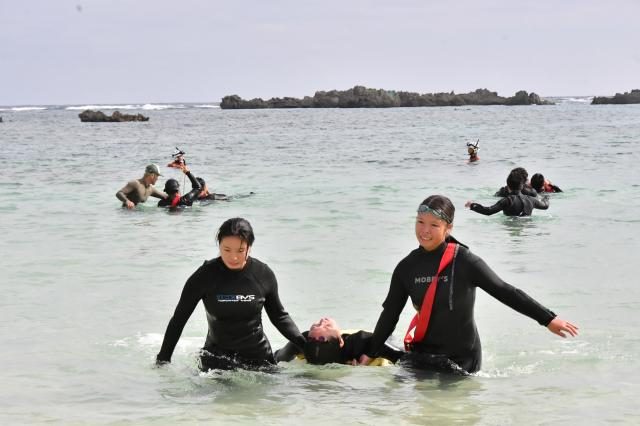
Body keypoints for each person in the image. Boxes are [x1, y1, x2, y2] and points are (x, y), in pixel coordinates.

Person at [358, 195, 578, 374]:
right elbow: (390, 314)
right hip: (424, 356)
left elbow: (504, 291)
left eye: (434, 225)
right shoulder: (406, 267)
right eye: (420, 222)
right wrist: (372, 351)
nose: (424, 230)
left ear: (448, 228)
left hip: (462, 362)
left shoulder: (464, 261)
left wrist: (547, 318)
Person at [156, 217, 305, 371]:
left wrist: (303, 344)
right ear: (219, 246)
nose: (233, 257)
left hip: (258, 358)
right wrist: (162, 360)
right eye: (226, 250)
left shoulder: (262, 274)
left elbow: (279, 316)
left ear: (249, 247)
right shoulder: (204, 276)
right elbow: (179, 320)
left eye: (240, 250)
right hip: (216, 359)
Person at [275, 317, 404, 365]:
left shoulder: (305, 340)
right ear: (341, 341)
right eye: (327, 326)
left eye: (316, 325)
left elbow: (277, 357)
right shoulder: (359, 341)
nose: (322, 320)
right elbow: (404, 357)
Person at [467, 169, 549, 217]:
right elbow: (545, 206)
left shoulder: (507, 201)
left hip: (511, 227)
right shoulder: (531, 200)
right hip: (527, 227)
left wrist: (472, 205)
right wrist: (546, 198)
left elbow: (488, 211)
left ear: (508, 186)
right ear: (522, 186)